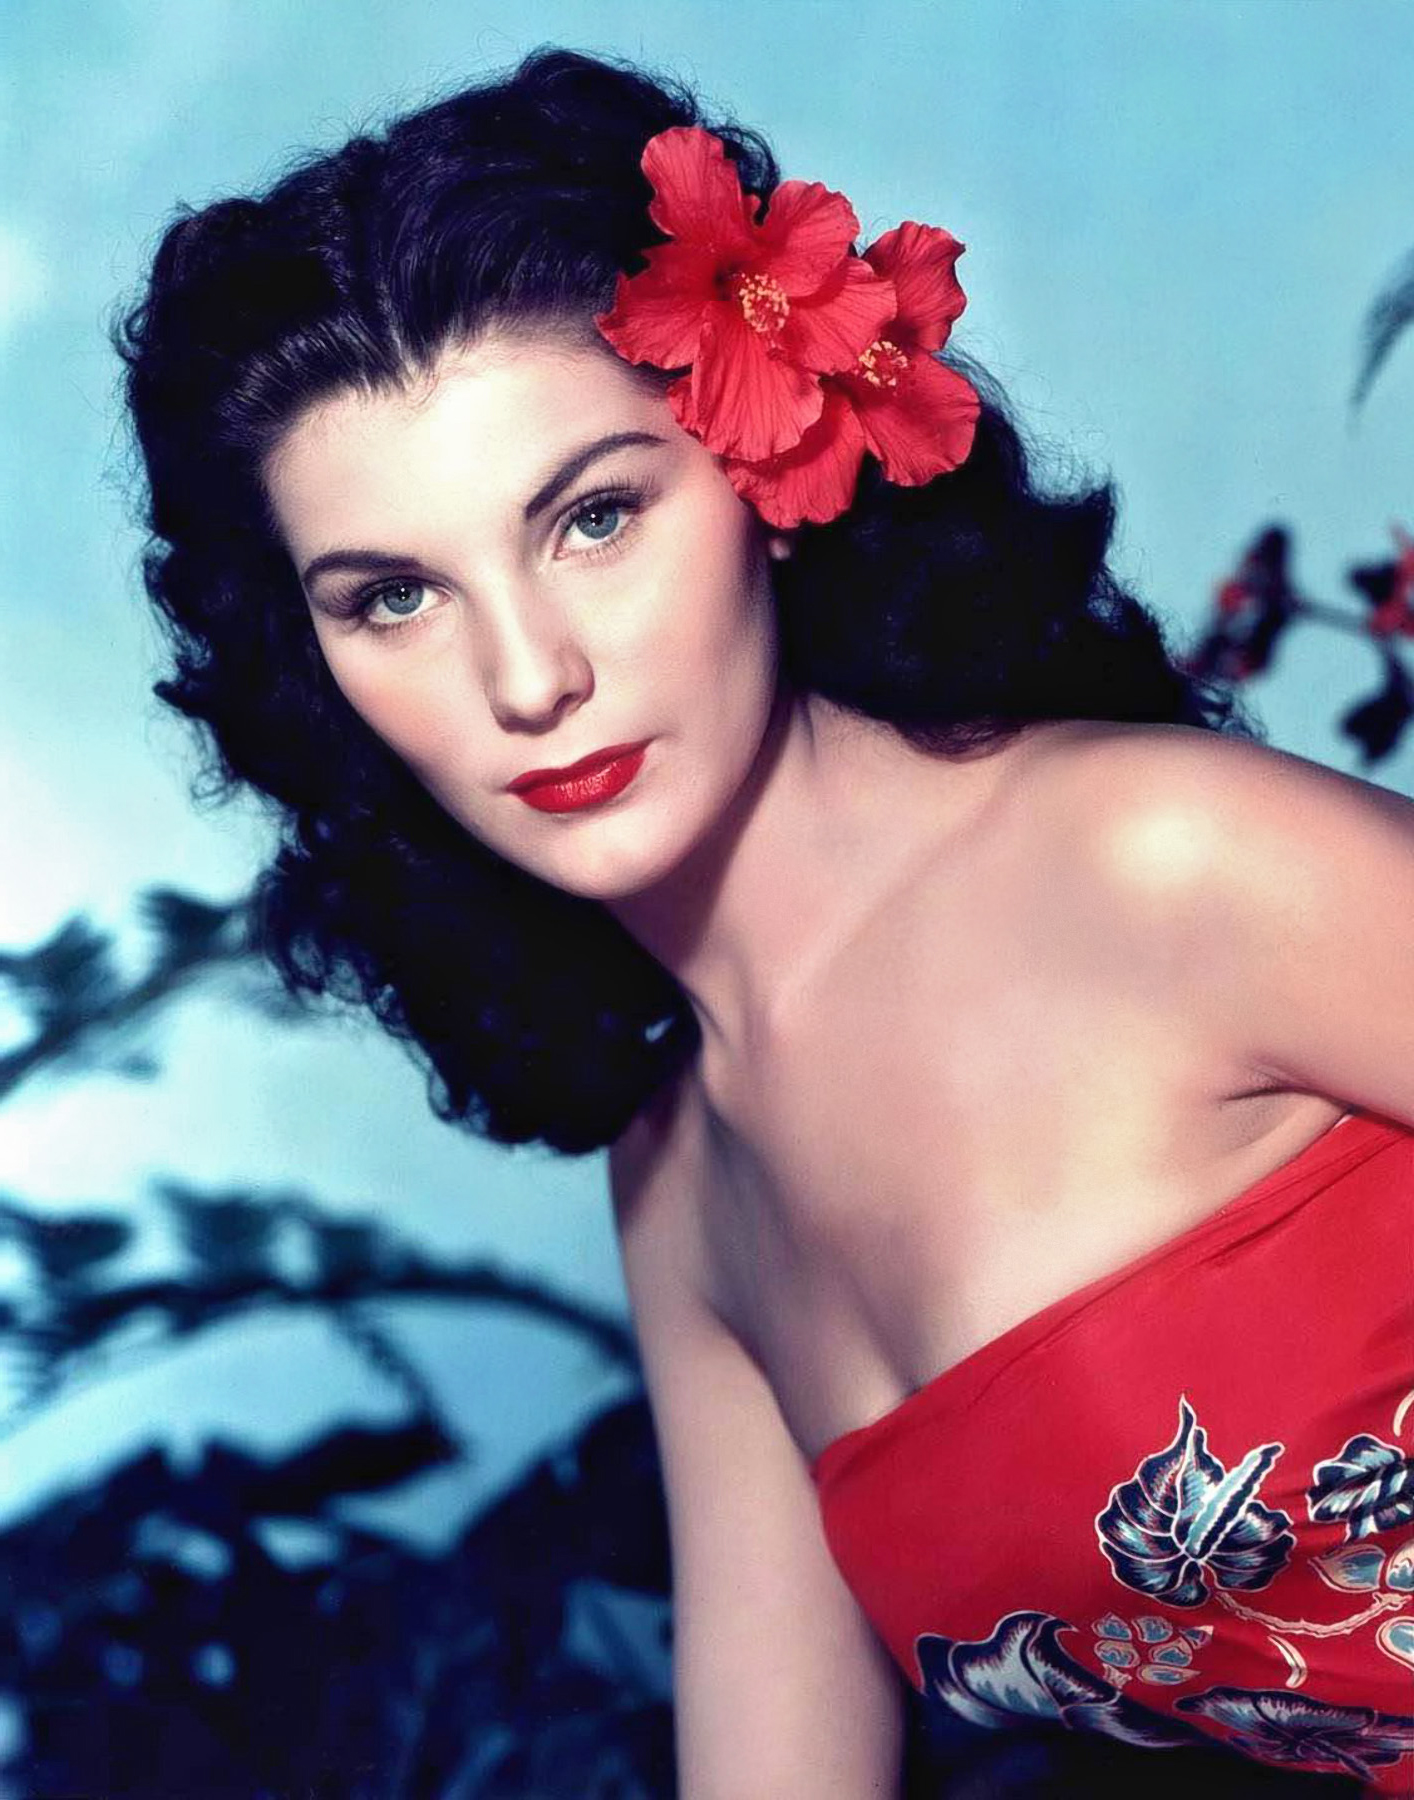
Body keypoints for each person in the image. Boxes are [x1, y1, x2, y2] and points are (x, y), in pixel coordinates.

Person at [119, 46, 1414, 1798]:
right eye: (395, 597)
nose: (527, 677)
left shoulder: (1163, 860)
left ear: (768, 474)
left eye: (594, 518)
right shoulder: (682, 1186)